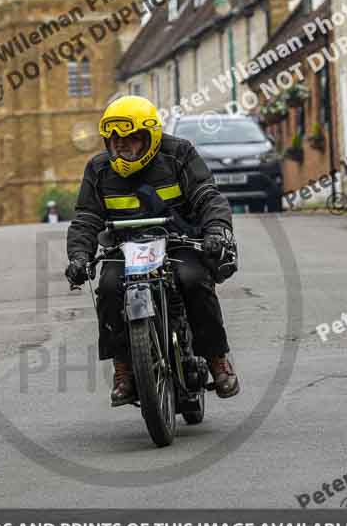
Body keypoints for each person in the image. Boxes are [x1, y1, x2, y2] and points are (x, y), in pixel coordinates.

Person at [65, 95, 240, 407]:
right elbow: (87, 218)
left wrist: (215, 231)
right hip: (124, 247)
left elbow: (206, 195)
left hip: (177, 240)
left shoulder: (179, 153)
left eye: (131, 138)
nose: (122, 146)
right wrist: (79, 256)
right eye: (114, 139)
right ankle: (124, 371)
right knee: (107, 289)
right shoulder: (98, 169)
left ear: (151, 136)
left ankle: (217, 359)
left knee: (194, 281)